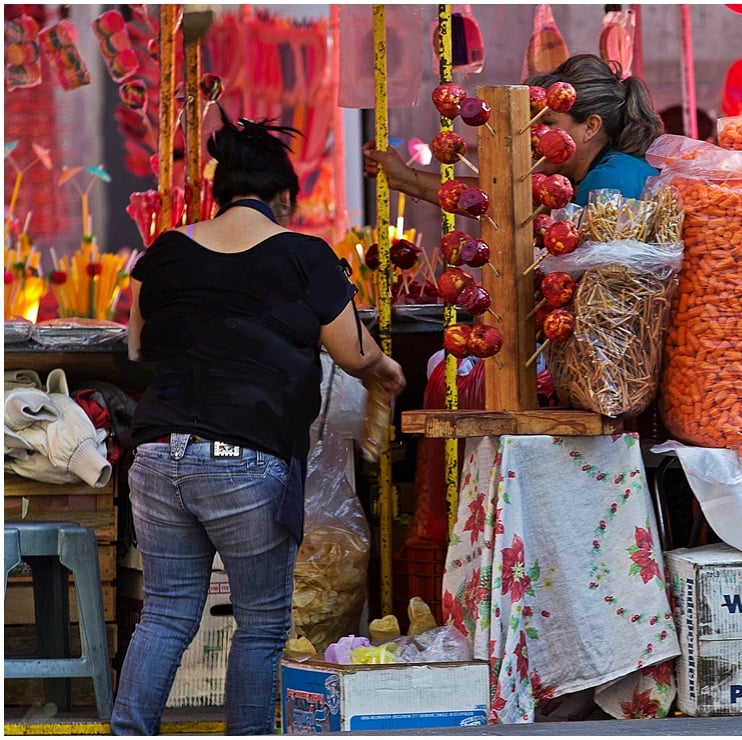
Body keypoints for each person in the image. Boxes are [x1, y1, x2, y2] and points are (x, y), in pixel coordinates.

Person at [112, 110, 404, 735]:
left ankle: (128, 732)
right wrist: (385, 367)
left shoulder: (164, 252)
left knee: (166, 615)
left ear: (218, 195)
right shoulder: (304, 257)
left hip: (159, 455)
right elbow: (353, 353)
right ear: (284, 199)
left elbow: (136, 346)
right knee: (263, 624)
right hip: (243, 460)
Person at [363, 53, 663, 207]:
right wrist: (405, 179)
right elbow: (503, 201)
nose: (533, 136)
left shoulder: (611, 180)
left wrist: (407, 180)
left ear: (591, 127)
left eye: (547, 125)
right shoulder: (583, 178)